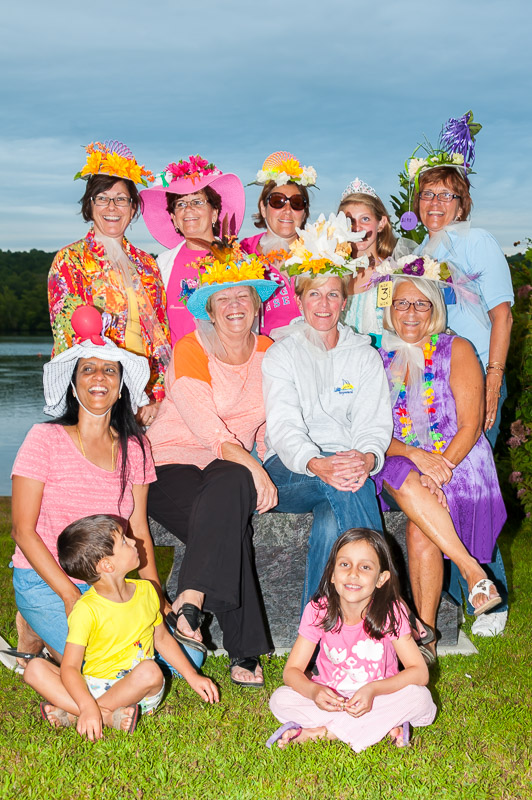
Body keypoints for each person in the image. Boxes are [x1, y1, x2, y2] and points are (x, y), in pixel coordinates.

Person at [146, 243, 279, 687]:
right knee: (230, 525)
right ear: (210, 310)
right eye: (224, 298)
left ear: (256, 305)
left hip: (227, 469)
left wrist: (267, 461)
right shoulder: (192, 348)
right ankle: (244, 651)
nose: (234, 306)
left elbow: (272, 420)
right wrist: (255, 469)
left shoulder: (269, 351)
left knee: (230, 493)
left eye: (243, 296)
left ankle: (189, 602)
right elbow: (205, 426)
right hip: (171, 460)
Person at [406, 111, 513, 636]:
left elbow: (501, 315)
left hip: (475, 378)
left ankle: (492, 594)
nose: (436, 203)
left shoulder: (477, 242)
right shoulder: (419, 253)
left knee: (475, 485)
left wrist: (494, 378)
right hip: (435, 385)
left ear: (462, 202)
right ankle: (457, 589)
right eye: (427, 194)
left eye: (446, 195)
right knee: (444, 485)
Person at [11, 307, 162, 664]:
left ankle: (41, 634)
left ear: (121, 387)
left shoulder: (137, 447)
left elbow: (139, 528)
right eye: (88, 369)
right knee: (99, 663)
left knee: (179, 658)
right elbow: (22, 531)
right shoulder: (44, 439)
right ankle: (33, 624)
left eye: (109, 370)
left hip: (110, 582)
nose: (99, 377)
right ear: (73, 383)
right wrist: (68, 595)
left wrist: (156, 596)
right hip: (44, 579)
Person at [370, 264, 506, 659]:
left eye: (421, 304)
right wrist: (417, 456)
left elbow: (471, 425)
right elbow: (371, 431)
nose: (411, 313)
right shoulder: (375, 357)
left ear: (435, 309)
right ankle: (472, 571)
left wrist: (440, 469)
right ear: (389, 308)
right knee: (399, 471)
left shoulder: (457, 348)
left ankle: (425, 636)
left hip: (459, 459)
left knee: (420, 528)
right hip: (400, 458)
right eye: (402, 304)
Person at [261, 213, 393, 609]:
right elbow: (284, 427)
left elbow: (373, 423)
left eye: (333, 295)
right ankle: (387, 605)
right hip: (290, 470)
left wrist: (367, 457)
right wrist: (318, 463)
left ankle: (318, 625)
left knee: (331, 523)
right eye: (314, 294)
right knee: (348, 484)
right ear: (299, 299)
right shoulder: (281, 354)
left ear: (344, 301)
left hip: (347, 467)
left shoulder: (364, 356)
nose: (324, 304)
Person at [24, 515, 219, 740]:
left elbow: (162, 639)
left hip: (139, 691)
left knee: (151, 670)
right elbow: (69, 667)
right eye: (124, 541)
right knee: (34, 669)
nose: (134, 541)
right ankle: (104, 716)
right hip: (93, 685)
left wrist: (192, 676)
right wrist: (86, 704)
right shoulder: (86, 610)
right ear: (107, 565)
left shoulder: (147, 591)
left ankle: (81, 712)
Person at [266, 529, 436, 752]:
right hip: (332, 699)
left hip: (379, 696)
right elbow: (291, 671)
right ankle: (381, 726)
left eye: (365, 567)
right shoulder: (318, 611)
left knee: (420, 698)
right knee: (279, 699)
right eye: (345, 565)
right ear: (332, 574)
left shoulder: (391, 612)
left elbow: (420, 673)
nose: (353, 574)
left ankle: (322, 733)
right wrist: (314, 692)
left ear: (381, 579)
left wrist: (373, 690)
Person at [48, 140, 171, 426]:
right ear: (89, 205)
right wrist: (110, 394)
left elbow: (160, 333)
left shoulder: (147, 264)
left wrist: (154, 395)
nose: (112, 207)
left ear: (133, 207)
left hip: (144, 395)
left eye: (121, 199)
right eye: (102, 198)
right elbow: (68, 336)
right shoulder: (70, 260)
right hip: (96, 392)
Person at [140, 155, 245, 345]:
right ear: (174, 218)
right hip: (176, 362)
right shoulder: (161, 265)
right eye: (180, 204)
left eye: (197, 202)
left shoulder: (239, 261)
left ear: (214, 213)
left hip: (226, 361)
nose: (188, 209)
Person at [241, 151, 317, 335]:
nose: (287, 210)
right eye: (278, 201)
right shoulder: (243, 252)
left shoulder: (320, 250)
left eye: (296, 203)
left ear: (304, 212)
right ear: (263, 208)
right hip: (263, 349)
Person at [338, 177, 415, 346]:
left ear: (381, 224)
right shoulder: (334, 272)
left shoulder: (393, 272)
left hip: (383, 357)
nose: (357, 228)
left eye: (365, 219)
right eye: (349, 221)